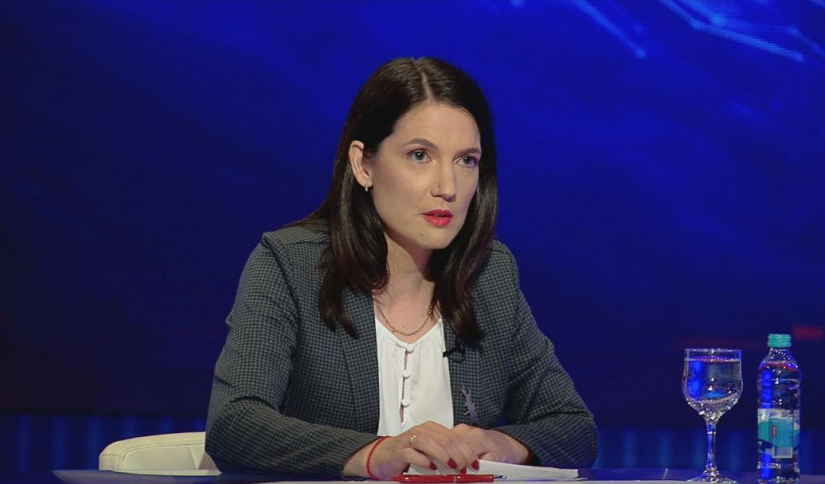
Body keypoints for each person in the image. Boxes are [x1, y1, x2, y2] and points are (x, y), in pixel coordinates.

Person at [205, 57, 597, 478]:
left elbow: (573, 427)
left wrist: (502, 445)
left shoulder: (489, 275)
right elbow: (235, 423)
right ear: (364, 165)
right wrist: (376, 454)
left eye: (466, 160)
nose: (447, 187)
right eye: (420, 155)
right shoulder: (291, 264)